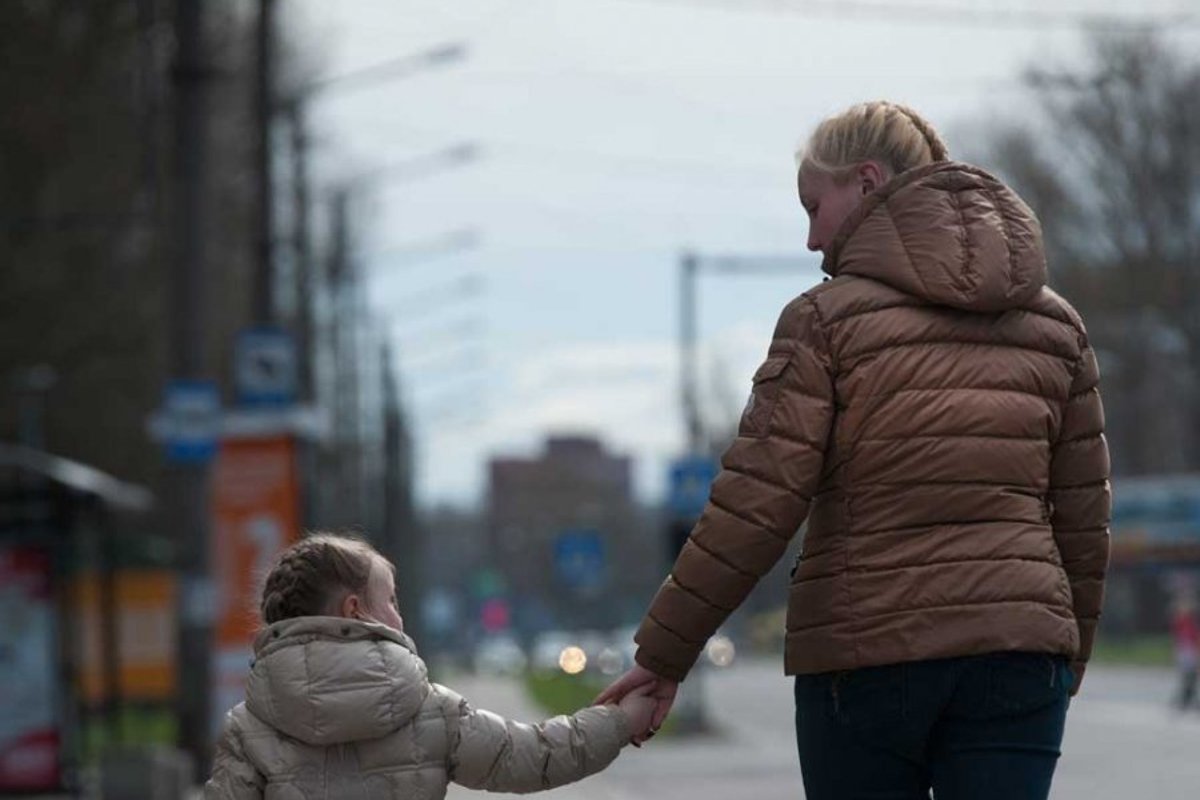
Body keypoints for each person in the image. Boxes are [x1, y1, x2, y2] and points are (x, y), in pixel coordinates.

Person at [598, 100, 1111, 799]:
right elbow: (1082, 517)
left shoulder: (822, 324)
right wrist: (1061, 655)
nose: (812, 239)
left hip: (867, 659)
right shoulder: (1058, 328)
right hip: (1019, 658)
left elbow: (754, 506)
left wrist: (664, 654)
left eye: (814, 205)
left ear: (867, 182)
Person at [205, 533, 655, 799]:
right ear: (356, 609)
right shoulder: (427, 709)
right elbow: (534, 756)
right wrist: (618, 721)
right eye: (392, 600)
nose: (399, 617)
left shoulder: (248, 729)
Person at [1172, 594, 1199, 711]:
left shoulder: (1191, 622)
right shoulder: (1179, 621)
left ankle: (1189, 697)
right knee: (1186, 676)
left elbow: (1195, 637)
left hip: (1190, 651)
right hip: (1183, 651)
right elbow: (1178, 637)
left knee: (1192, 675)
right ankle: (1185, 697)